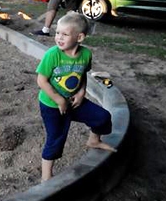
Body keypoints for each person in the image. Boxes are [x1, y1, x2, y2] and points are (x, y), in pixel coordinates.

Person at [36, 11, 116, 182]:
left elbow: (82, 75)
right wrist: (59, 100)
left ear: (79, 38)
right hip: (51, 104)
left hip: (74, 102)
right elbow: (41, 81)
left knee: (102, 117)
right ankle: (46, 176)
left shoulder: (86, 55)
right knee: (56, 137)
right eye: (57, 33)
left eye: (65, 34)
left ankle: (94, 140)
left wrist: (81, 93)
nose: (59, 37)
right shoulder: (52, 54)